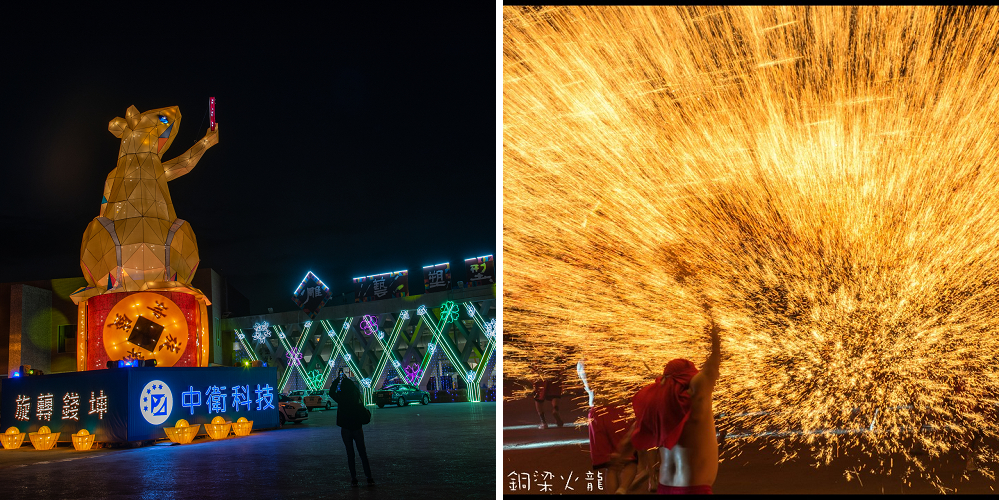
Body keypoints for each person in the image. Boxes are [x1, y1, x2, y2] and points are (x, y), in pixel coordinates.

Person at [618, 302, 722, 495]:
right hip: (693, 489)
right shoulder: (697, 396)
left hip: (665, 486)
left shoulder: (659, 403)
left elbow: (627, 443)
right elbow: (714, 359)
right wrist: (711, 315)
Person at [578, 360, 638, 494]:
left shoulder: (582, 362)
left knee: (610, 465)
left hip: (596, 413)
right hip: (618, 410)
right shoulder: (617, 357)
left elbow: (587, 385)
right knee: (629, 459)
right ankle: (622, 490)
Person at [330, 367, 374, 487]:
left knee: (350, 454)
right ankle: (369, 477)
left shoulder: (341, 398)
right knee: (362, 453)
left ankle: (354, 478)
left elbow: (331, 392)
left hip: (346, 428)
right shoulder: (356, 396)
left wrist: (337, 380)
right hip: (357, 428)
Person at [530, 363, 564, 429]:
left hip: (540, 369)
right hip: (554, 368)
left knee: (538, 397)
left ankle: (543, 422)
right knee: (555, 394)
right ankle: (555, 409)